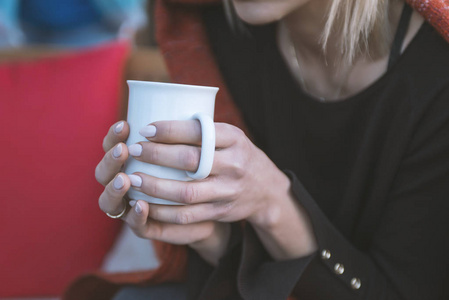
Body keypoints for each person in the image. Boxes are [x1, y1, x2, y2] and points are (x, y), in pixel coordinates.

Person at [88, 0, 449, 299]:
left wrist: (273, 203)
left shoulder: (437, 75)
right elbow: (236, 264)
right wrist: (210, 236)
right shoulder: (215, 30)